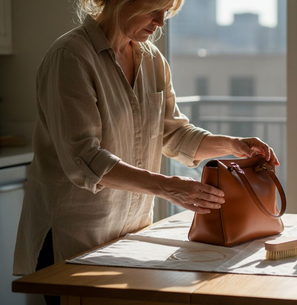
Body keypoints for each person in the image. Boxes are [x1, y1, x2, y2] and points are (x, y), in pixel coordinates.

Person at [13, 0, 279, 304]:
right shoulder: (70, 57)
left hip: (131, 233)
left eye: (166, 12)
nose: (160, 22)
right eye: (154, 8)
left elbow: (173, 132)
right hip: (74, 235)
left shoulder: (152, 59)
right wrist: (168, 187)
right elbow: (85, 159)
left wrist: (231, 144)